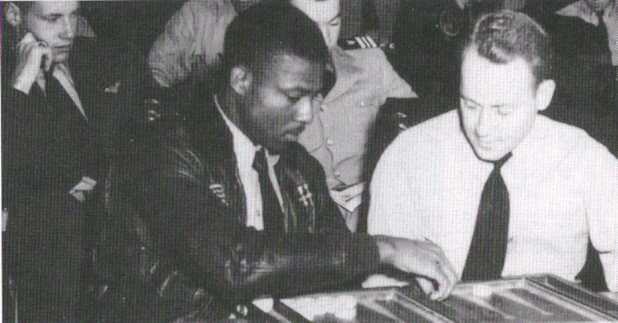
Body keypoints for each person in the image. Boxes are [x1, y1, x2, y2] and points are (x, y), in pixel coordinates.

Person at [91, 3, 457, 321]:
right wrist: (384, 249)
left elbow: (337, 268)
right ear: (240, 79)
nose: (308, 114)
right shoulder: (163, 150)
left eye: (315, 97)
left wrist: (396, 284)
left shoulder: (297, 167)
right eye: (294, 96)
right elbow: (233, 264)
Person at [368, 10, 617, 292]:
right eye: (471, 105)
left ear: (543, 96)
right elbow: (380, 288)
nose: (483, 128)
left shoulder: (585, 160)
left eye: (503, 110)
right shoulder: (409, 155)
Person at [1, 1, 148, 321]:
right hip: (49, 256)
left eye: (74, 15)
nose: (69, 32)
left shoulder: (107, 57)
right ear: (14, 16)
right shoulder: (9, 85)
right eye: (53, 19)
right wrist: (20, 86)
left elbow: (134, 137)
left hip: (118, 232)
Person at [294, 0, 417, 232]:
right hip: (307, 216)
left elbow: (420, 124)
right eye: (311, 26)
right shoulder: (267, 84)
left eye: (334, 23)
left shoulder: (371, 62)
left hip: (378, 199)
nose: (324, 38)